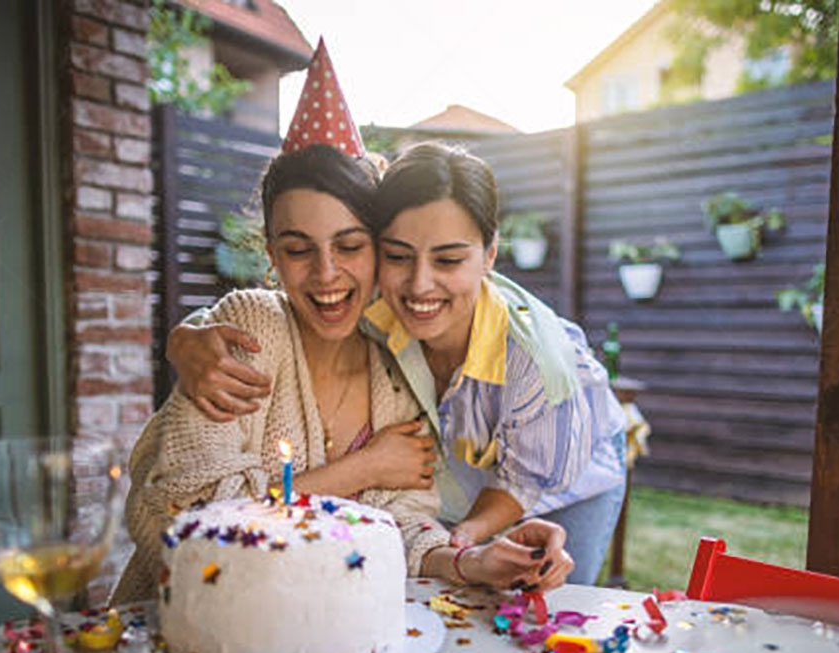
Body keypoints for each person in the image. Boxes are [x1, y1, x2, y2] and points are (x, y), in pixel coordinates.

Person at [111, 43, 572, 604]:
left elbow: (402, 524)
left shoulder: (398, 358)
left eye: (350, 245)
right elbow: (181, 518)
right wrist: (362, 467)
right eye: (298, 249)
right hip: (189, 626)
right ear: (271, 257)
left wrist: (470, 561)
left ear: (379, 251)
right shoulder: (246, 333)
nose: (326, 275)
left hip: (318, 637)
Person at [167, 140, 626, 585]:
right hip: (459, 472)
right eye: (398, 256)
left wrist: (460, 541)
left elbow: (521, 486)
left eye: (447, 259)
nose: (419, 285)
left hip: (564, 475)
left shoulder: (536, 367)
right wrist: (184, 338)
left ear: (489, 254)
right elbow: (281, 306)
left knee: (547, 599)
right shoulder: (371, 307)